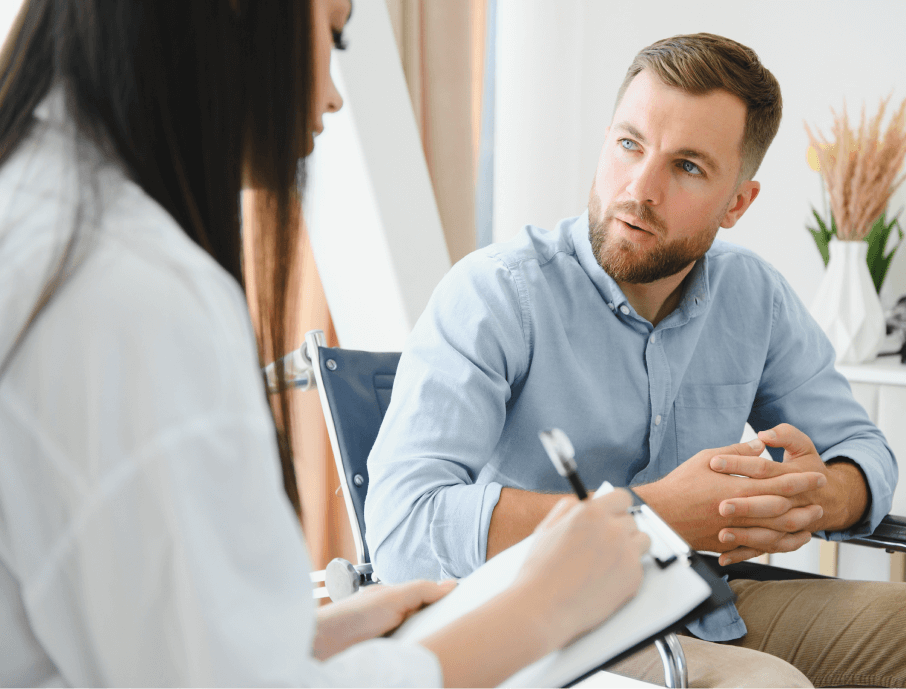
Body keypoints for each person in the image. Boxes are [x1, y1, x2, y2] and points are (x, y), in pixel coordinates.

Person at [0, 1, 652, 686]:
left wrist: (314, 637)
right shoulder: (131, 298)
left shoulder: (46, 224)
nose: (333, 95)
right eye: (333, 34)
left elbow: (141, 635)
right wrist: (540, 608)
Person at [364, 32, 906, 688]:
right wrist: (654, 511)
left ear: (738, 202)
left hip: (700, 604)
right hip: (536, 620)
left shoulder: (752, 295)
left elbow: (862, 450)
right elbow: (402, 522)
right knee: (764, 684)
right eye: (628, 144)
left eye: (688, 167)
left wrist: (815, 499)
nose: (639, 187)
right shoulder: (495, 293)